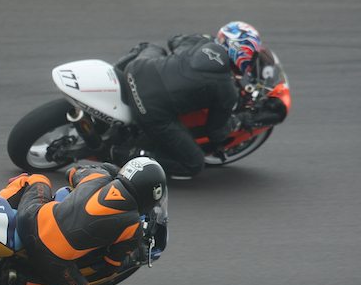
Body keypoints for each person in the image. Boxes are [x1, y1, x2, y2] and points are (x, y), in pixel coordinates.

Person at [116, 21, 289, 178]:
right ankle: (122, 154)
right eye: (252, 57)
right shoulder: (227, 90)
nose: (252, 62)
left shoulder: (201, 43)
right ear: (242, 53)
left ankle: (115, 71)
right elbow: (216, 132)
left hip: (136, 69)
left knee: (150, 47)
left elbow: (174, 40)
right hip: (148, 107)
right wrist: (240, 120)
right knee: (193, 164)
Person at [0, 157, 168, 285]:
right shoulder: (133, 227)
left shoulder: (98, 176)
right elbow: (111, 265)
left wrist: (105, 169)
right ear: (151, 195)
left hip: (30, 217)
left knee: (36, 179)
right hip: (48, 255)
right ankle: (19, 279)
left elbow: (72, 173)